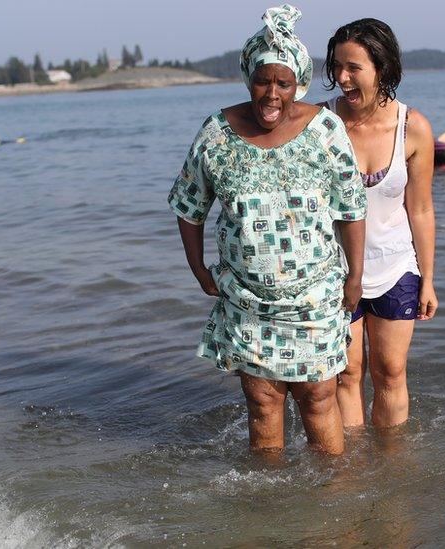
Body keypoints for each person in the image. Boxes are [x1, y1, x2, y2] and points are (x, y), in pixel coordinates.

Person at [168, 5, 367, 455]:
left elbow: (352, 208)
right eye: (263, 80)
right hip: (247, 298)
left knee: (318, 398)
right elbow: (189, 204)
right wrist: (197, 266)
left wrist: (354, 276)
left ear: (298, 82)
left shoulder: (325, 130)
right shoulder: (217, 133)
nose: (272, 93)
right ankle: (269, 511)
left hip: (315, 294)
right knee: (262, 403)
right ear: (248, 79)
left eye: (283, 82)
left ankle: (338, 502)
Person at [320, 18, 437, 429]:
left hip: (396, 267)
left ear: (382, 68)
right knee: (346, 376)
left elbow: (420, 209)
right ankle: (353, 471)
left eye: (353, 68)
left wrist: (427, 279)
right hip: (334, 271)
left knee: (390, 372)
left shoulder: (413, 128)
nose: (341, 78)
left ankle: (391, 469)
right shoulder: (321, 125)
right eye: (336, 66)